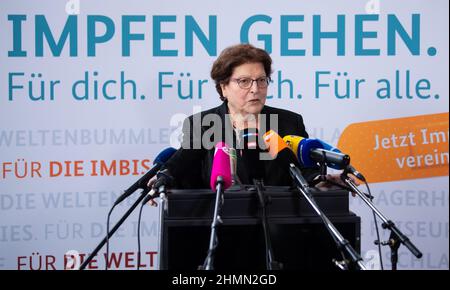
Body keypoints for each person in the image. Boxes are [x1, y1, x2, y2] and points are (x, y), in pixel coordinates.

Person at [149, 43, 343, 191]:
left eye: (261, 80)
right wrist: (164, 181)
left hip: (281, 228)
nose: (255, 89)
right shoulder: (202, 125)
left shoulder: (288, 123)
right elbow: (185, 173)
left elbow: (302, 172)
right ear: (223, 87)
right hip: (220, 226)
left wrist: (321, 181)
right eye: (244, 81)